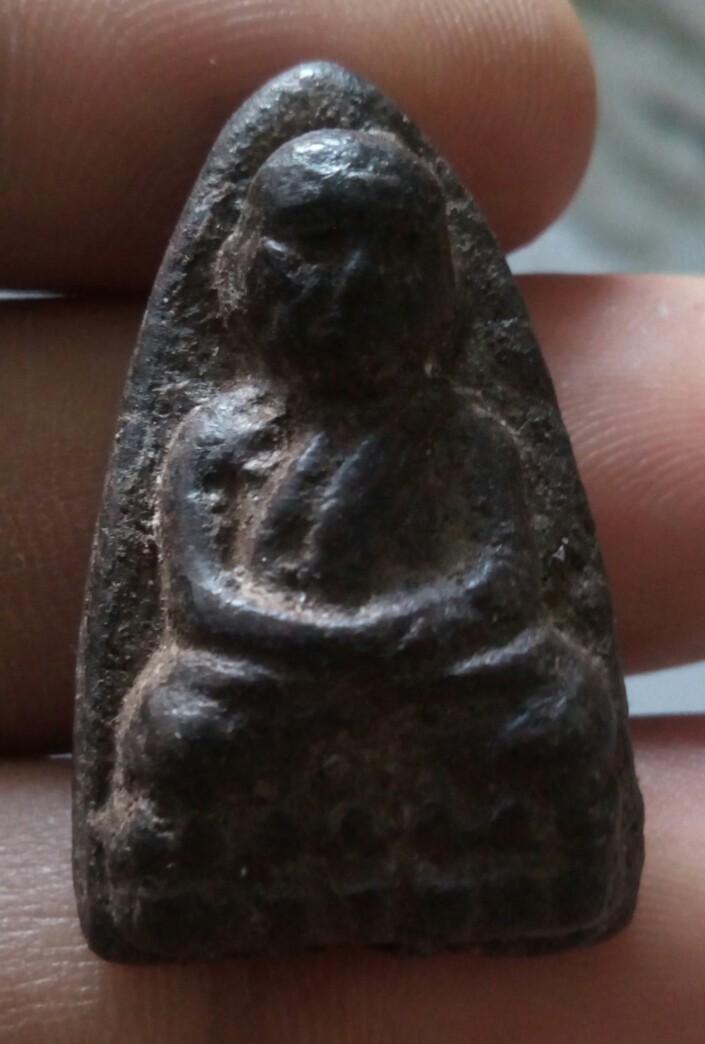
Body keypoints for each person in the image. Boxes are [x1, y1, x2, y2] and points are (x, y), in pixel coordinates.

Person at [1, 0, 704, 1038]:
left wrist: (388, 637)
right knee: (178, 719)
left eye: (390, 251)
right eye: (318, 247)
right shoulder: (216, 438)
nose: (354, 283)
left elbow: (498, 588)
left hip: (432, 669)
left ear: (434, 280)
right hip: (267, 674)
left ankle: (509, 874)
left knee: (562, 704)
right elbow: (201, 602)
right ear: (248, 267)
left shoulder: (464, 435)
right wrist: (330, 645)